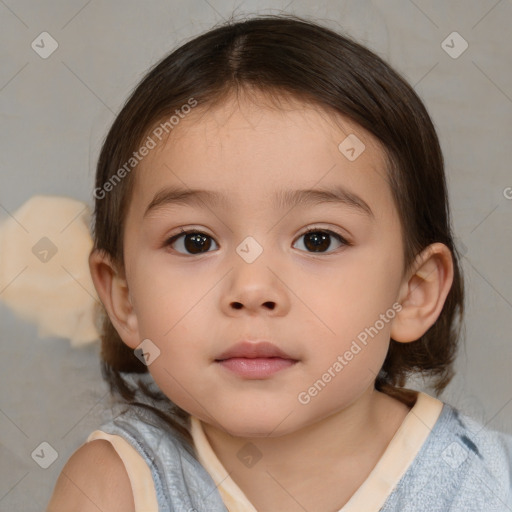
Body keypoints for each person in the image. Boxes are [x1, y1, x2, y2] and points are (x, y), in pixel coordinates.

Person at [46, 13, 512, 512]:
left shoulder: (487, 483)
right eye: (195, 242)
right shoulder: (116, 487)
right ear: (124, 297)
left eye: (317, 240)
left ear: (412, 292)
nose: (251, 288)